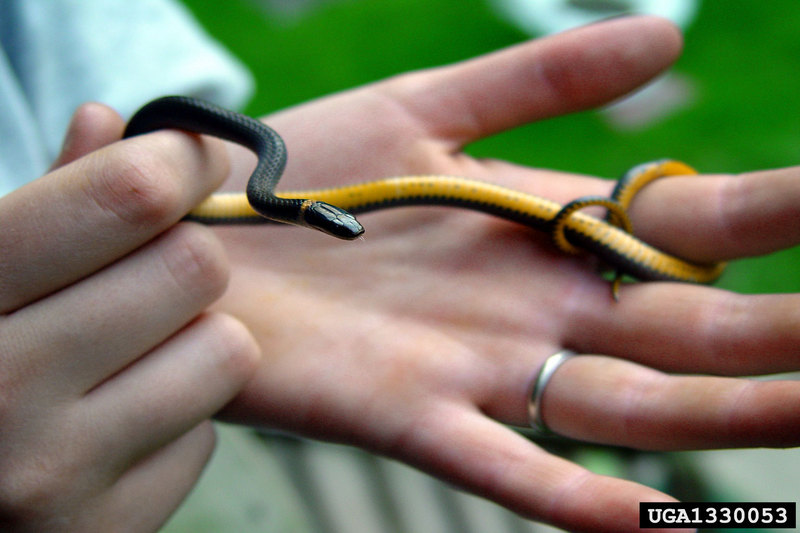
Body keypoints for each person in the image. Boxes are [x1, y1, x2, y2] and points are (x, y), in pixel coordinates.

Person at [1, 2, 799, 532]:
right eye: (336, 222)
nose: (343, 226)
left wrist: (153, 163)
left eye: (337, 222)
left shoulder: (253, 174)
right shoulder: (268, 190)